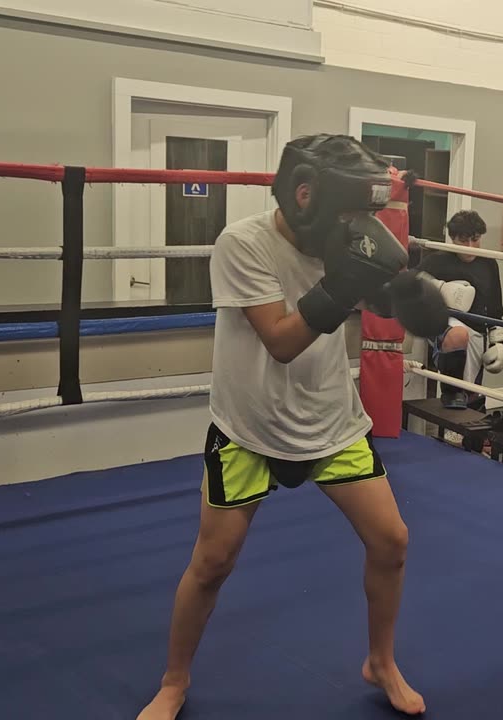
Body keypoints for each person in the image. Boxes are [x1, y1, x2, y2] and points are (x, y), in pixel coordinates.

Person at [136, 134, 455, 720]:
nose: (359, 223)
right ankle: (174, 680)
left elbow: (388, 299)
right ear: (306, 196)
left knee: (392, 541)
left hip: (331, 425)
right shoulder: (243, 243)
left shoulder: (351, 241)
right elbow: (281, 340)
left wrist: (425, 309)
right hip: (247, 429)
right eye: (350, 210)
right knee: (212, 563)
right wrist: (346, 283)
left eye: (365, 211)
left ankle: (380, 662)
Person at [417, 210, 503, 413]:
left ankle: (469, 440)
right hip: (446, 324)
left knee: (473, 393)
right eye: (463, 241)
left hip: (477, 329)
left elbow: (494, 306)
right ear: (452, 238)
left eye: (475, 240)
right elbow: (409, 283)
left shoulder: (488, 263)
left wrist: (498, 341)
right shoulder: (438, 259)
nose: (469, 247)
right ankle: (450, 393)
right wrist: (440, 288)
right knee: (458, 335)